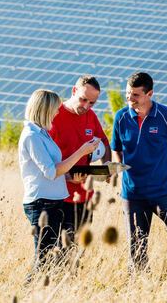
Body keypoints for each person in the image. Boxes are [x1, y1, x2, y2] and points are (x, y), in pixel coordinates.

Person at [111, 72, 167, 272]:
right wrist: (121, 170)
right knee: (137, 249)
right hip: (133, 195)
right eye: (127, 94)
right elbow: (116, 147)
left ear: (149, 93)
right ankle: (139, 287)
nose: (129, 99)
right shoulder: (121, 117)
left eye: (135, 95)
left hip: (163, 191)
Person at [19, 89, 99, 283]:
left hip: (52, 203)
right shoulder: (32, 136)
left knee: (51, 257)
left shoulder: (42, 134)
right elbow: (51, 171)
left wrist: (70, 177)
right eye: (54, 109)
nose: (57, 113)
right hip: (42, 204)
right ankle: (25, 293)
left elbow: (53, 171)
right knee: (43, 259)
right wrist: (81, 151)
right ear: (44, 109)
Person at [49, 76, 111, 245]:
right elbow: (44, 161)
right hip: (58, 197)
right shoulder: (54, 116)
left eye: (92, 103)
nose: (86, 106)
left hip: (84, 197)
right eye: (83, 100)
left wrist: (106, 165)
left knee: (77, 251)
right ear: (74, 91)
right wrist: (66, 177)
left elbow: (104, 142)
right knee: (57, 252)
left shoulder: (91, 116)